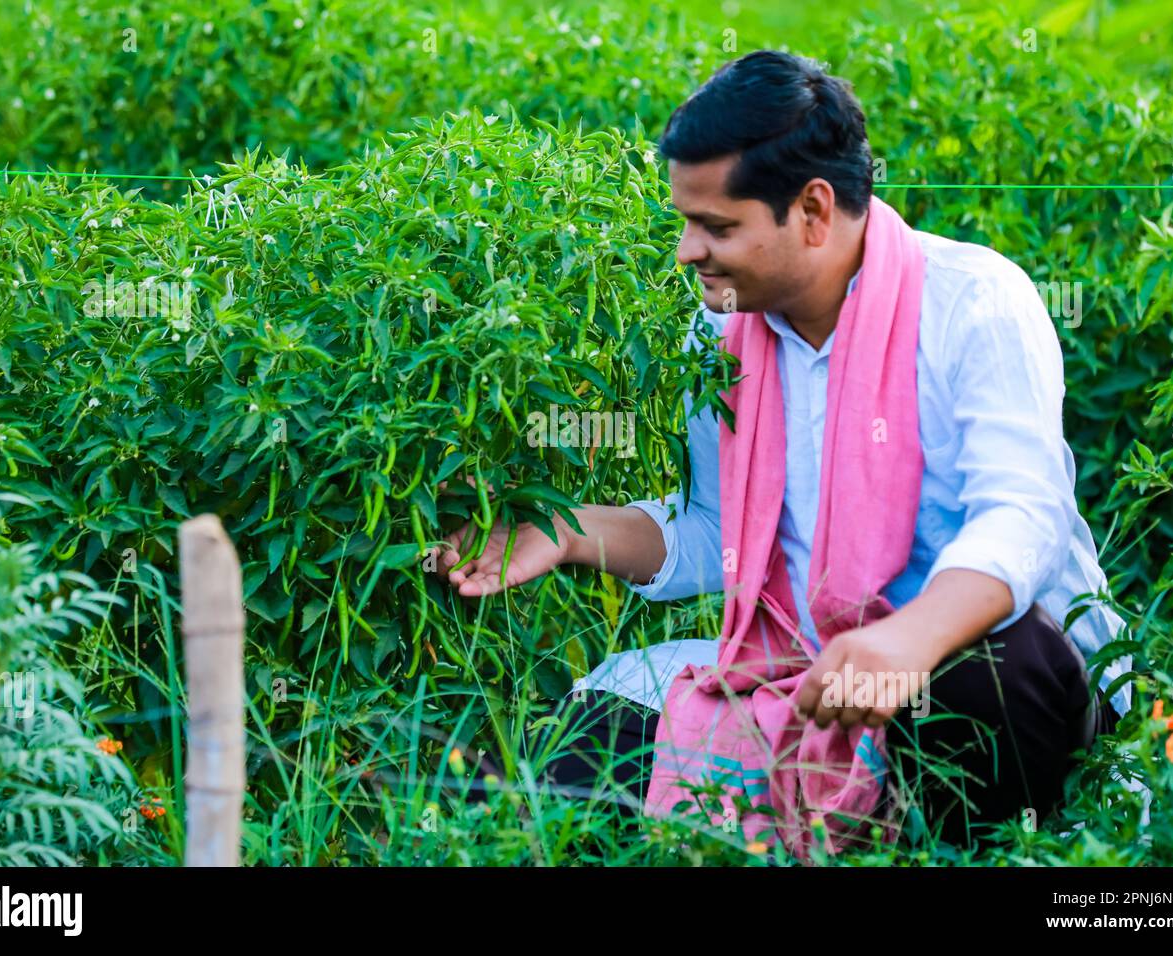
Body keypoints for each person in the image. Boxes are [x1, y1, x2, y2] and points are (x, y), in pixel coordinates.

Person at [431, 50, 1132, 850]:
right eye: (686, 222)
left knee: (988, 673)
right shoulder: (724, 331)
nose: (687, 251)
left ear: (812, 209)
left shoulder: (974, 302)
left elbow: (1020, 518)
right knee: (577, 756)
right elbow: (715, 532)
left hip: (982, 674)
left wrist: (905, 639)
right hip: (807, 667)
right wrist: (559, 533)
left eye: (717, 227)